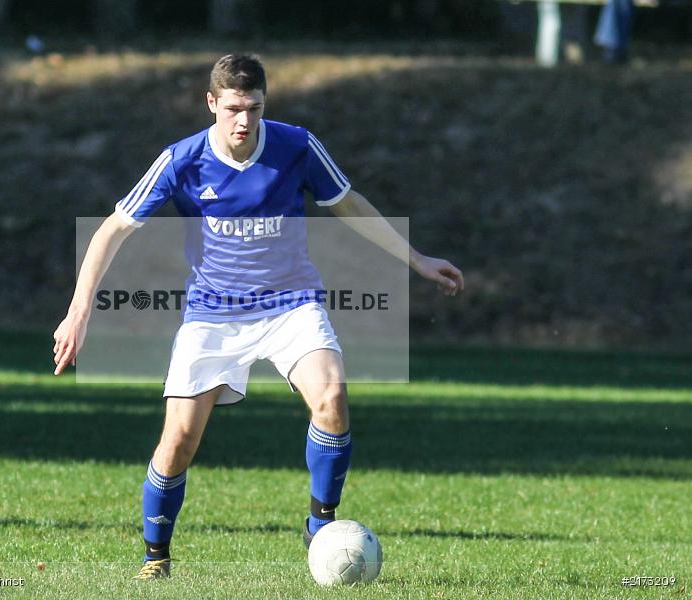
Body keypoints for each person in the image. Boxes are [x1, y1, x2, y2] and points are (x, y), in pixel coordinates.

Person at [52, 54, 464, 580]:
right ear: (211, 104)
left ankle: (321, 525)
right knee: (178, 440)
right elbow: (112, 229)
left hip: (291, 304)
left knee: (332, 398)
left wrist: (416, 259)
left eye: (254, 108)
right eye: (233, 109)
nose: (244, 120)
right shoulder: (182, 160)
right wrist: (78, 312)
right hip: (212, 315)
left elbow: (348, 204)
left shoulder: (296, 146)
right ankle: (156, 556)